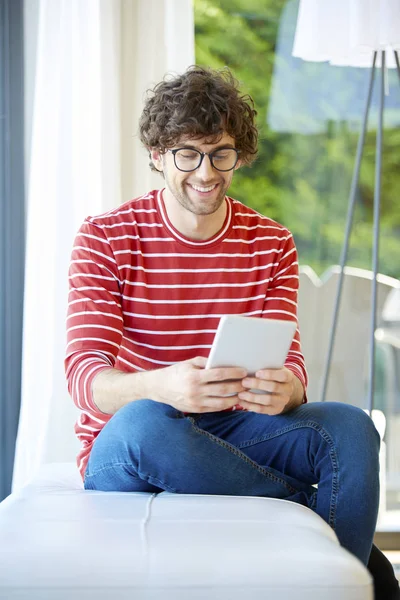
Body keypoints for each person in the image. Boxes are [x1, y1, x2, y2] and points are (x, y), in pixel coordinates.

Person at [65, 65, 399, 599]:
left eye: (220, 153)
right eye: (187, 154)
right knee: (146, 421)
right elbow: (84, 380)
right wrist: (161, 385)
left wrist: (286, 389)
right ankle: (313, 525)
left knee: (352, 428)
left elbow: (293, 370)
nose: (205, 172)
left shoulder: (270, 241)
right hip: (132, 444)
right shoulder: (106, 237)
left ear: (239, 154)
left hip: (237, 429)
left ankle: (334, 585)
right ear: (157, 156)